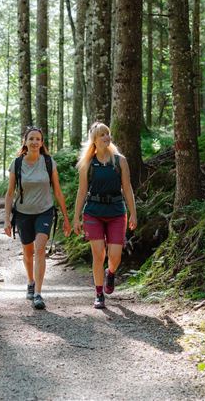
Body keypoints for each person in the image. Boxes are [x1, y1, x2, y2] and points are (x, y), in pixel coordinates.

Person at [4, 127, 71, 310]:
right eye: (31, 138)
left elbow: (57, 191)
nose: (34, 142)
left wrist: (66, 218)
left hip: (45, 211)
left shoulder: (48, 162)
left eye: (38, 139)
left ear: (42, 143)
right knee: (28, 253)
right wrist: (7, 219)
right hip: (23, 213)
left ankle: (38, 294)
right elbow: (10, 193)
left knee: (40, 249)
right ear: (25, 142)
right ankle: (30, 281)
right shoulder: (16, 164)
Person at [72, 122, 137, 309]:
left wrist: (133, 213)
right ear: (94, 139)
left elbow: (127, 188)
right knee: (98, 254)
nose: (106, 137)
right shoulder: (87, 164)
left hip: (117, 211)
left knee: (114, 256)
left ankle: (111, 272)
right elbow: (82, 191)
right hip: (93, 212)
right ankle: (99, 293)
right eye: (102, 135)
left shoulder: (120, 161)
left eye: (107, 134)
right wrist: (76, 217)